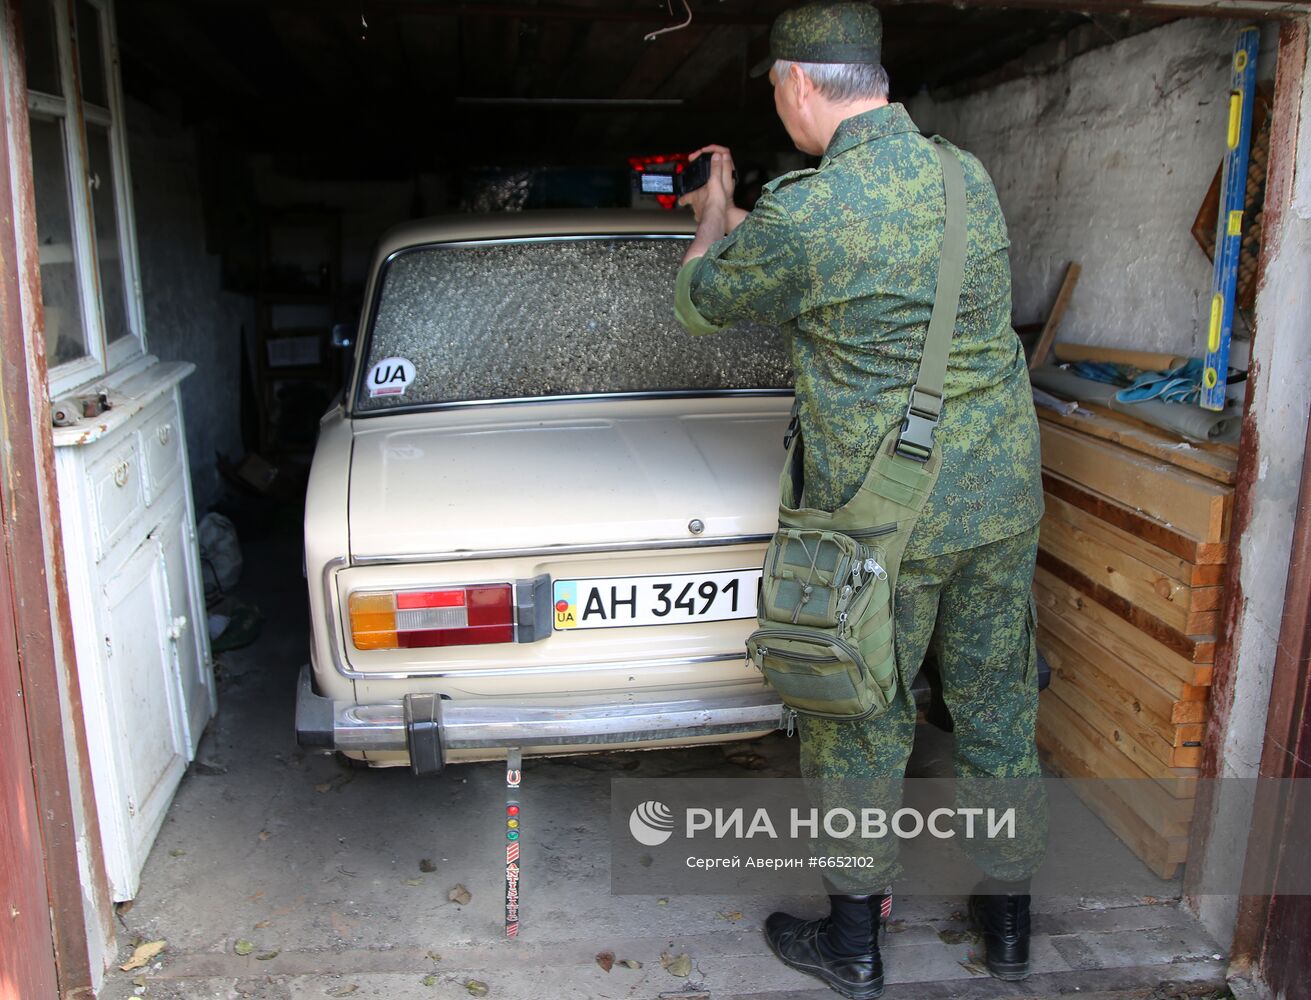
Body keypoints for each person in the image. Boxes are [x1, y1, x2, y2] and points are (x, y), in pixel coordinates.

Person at [672, 3, 1046, 998]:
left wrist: (713, 212)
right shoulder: (966, 178)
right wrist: (761, 219)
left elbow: (704, 299)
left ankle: (854, 942)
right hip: (1001, 497)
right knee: (998, 700)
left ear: (799, 84)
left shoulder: (809, 210)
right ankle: (1008, 922)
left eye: (774, 89)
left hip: (887, 518)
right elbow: (871, 260)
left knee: (859, 715)